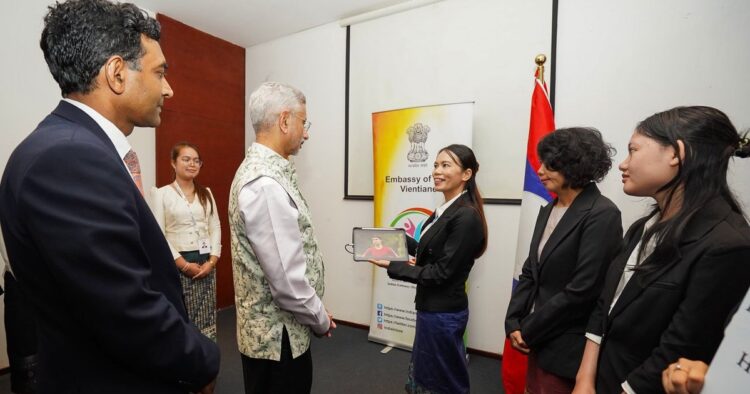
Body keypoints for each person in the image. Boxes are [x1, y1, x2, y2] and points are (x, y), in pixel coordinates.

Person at [0, 0, 220, 392]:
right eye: (160, 72)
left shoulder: (72, 147)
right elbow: (125, 310)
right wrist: (203, 360)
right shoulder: (67, 158)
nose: (168, 89)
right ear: (117, 74)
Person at [573, 106, 750, 394]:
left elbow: (680, 351)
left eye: (634, 150)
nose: (623, 164)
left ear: (676, 154)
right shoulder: (643, 227)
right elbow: (605, 306)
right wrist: (583, 381)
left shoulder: (727, 245)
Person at [229, 81, 335, 394]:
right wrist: (320, 318)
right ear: (285, 120)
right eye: (304, 122)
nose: (306, 132)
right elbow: (287, 284)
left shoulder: (269, 173)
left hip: (281, 334)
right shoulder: (265, 185)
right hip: (278, 343)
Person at [504, 127, 623, 393]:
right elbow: (530, 271)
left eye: (551, 165)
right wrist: (513, 321)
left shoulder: (602, 214)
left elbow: (583, 289)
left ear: (575, 167)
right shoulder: (549, 209)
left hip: (565, 343)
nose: (540, 171)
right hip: (536, 335)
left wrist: (529, 328)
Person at [369, 144, 488, 394]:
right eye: (435, 165)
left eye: (446, 165)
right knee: (429, 375)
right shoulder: (446, 208)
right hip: (431, 309)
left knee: (444, 380)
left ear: (466, 174)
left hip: (443, 314)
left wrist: (394, 265)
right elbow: (430, 250)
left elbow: (440, 273)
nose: (437, 171)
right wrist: (397, 240)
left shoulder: (465, 216)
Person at [150, 142, 221, 341]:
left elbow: (215, 227)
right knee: (181, 316)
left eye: (196, 160)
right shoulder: (161, 194)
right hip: (177, 264)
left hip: (206, 264)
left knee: (206, 317)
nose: (192, 164)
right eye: (186, 159)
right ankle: (184, 367)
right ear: (173, 163)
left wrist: (212, 261)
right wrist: (182, 265)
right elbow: (158, 234)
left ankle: (205, 363)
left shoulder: (206, 193)